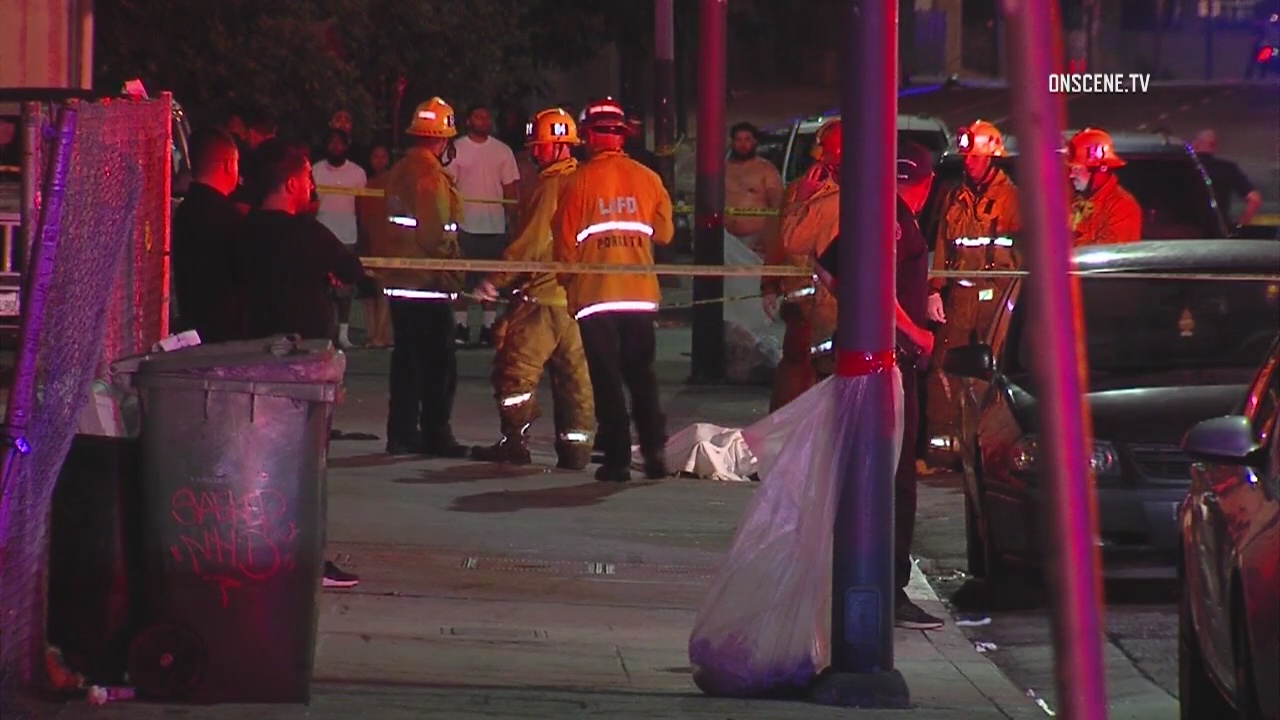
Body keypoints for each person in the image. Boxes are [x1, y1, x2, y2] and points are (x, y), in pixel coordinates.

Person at [812, 141, 942, 631]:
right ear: (925, 186)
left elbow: (826, 266)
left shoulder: (873, 212)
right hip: (888, 362)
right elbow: (875, 287)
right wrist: (915, 332)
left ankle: (870, 581)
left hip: (866, 357)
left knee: (870, 471)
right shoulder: (900, 223)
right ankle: (889, 589)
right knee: (895, 480)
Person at [231, 141, 370, 590]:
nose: (311, 185)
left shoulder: (243, 232)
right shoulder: (309, 235)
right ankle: (304, 558)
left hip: (247, 366)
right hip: (303, 372)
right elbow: (353, 270)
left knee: (252, 466)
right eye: (307, 177)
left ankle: (254, 550)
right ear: (292, 183)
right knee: (305, 469)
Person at [552, 97, 675, 482]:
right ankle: (655, 454)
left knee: (606, 379)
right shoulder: (649, 179)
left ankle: (618, 460)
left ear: (588, 136)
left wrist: (569, 288)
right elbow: (666, 234)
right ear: (623, 135)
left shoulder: (576, 182)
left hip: (596, 296)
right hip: (639, 293)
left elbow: (564, 248)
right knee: (642, 376)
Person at [471, 108, 595, 469]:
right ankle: (576, 452)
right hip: (578, 300)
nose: (534, 154)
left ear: (559, 147)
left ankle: (515, 442)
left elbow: (530, 245)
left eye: (540, 147)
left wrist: (495, 280)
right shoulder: (586, 181)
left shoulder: (550, 188)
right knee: (576, 384)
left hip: (543, 299)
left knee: (515, 373)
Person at [374, 97, 469, 457]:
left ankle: (401, 433)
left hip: (402, 279)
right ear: (443, 140)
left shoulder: (399, 170)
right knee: (439, 364)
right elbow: (434, 235)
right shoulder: (429, 174)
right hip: (428, 281)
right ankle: (435, 433)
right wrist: (456, 266)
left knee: (407, 361)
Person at [925, 119, 1021, 464]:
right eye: (966, 156)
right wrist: (934, 289)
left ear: (992, 158)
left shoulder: (1012, 199)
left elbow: (1023, 251)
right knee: (945, 369)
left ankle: (987, 451)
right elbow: (941, 243)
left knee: (993, 374)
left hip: (998, 299)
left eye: (975, 156)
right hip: (961, 298)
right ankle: (943, 451)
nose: (968, 161)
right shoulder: (954, 196)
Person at [760, 120, 839, 411]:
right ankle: (784, 428)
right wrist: (769, 283)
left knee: (828, 371)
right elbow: (781, 239)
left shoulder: (861, 192)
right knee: (798, 364)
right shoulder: (798, 190)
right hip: (807, 301)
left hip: (833, 302)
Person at [446, 104, 521, 346]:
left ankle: (489, 327)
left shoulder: (502, 151)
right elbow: (448, 185)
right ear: (469, 120)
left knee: (491, 279)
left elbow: (510, 188)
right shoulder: (457, 148)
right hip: (465, 225)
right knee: (462, 280)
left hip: (495, 226)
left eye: (487, 117)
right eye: (478, 117)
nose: (483, 121)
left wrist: (513, 219)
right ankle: (461, 326)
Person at [779, 118, 842, 382]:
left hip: (830, 307)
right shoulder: (879, 191)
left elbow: (791, 241)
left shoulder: (824, 200)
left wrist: (801, 201)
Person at [171, 129, 247, 343]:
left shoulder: (186, 210)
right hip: (224, 333)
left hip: (191, 324)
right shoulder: (228, 216)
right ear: (228, 164)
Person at [312, 129, 369, 349]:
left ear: (347, 146)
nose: (336, 147)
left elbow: (361, 207)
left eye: (340, 143)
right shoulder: (315, 170)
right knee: (321, 288)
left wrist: (362, 234)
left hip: (346, 236)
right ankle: (325, 332)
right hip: (320, 235)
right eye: (332, 143)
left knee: (345, 289)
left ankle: (344, 333)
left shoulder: (357, 173)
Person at [1066, 127, 1142, 247]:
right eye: (1071, 169)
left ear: (1100, 170)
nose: (1071, 175)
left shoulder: (1123, 208)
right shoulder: (1074, 201)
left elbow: (1109, 256)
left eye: (1077, 169)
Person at [724, 122, 784, 257]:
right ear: (732, 142)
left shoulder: (766, 170)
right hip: (725, 238)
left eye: (747, 140)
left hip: (755, 240)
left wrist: (768, 236)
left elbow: (776, 204)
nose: (743, 144)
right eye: (738, 140)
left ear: (755, 142)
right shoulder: (723, 169)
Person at [355, 145, 394, 348]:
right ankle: (375, 334)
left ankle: (382, 334)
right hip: (369, 241)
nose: (379, 160)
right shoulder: (365, 184)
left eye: (383, 156)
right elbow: (361, 217)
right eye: (375, 156)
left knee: (384, 290)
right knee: (370, 291)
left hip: (388, 242)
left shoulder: (392, 182)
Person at [1191, 129, 1263, 230]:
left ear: (1195, 143)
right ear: (1214, 146)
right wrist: (1239, 226)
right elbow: (1254, 200)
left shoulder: (1179, 167)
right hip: (1218, 233)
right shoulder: (1228, 168)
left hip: (1181, 235)